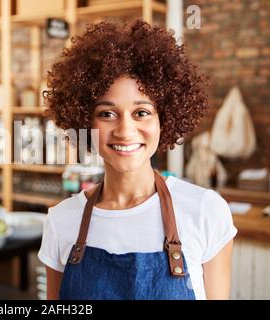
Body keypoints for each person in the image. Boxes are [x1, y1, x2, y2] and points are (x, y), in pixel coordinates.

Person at [38, 20, 237, 300]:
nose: (125, 130)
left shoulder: (205, 211)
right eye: (107, 114)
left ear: (164, 119)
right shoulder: (61, 221)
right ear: (84, 121)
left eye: (141, 112)